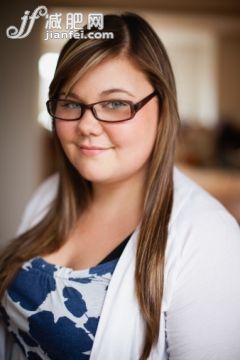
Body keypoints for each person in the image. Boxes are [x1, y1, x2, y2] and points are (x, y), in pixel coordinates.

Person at [0, 12, 240, 360]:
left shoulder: (210, 239)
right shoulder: (49, 194)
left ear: (163, 108)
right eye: (70, 103)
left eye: (114, 104)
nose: (86, 125)